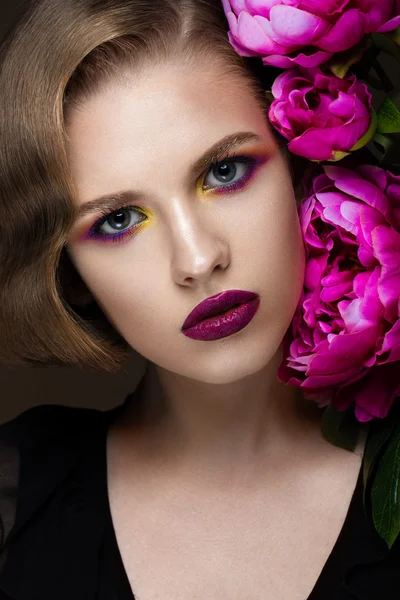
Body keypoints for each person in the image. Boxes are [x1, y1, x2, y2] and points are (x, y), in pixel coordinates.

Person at [0, 1, 398, 598]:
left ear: (300, 162)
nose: (196, 259)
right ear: (70, 270)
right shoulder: (15, 501)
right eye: (118, 220)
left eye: (225, 171)